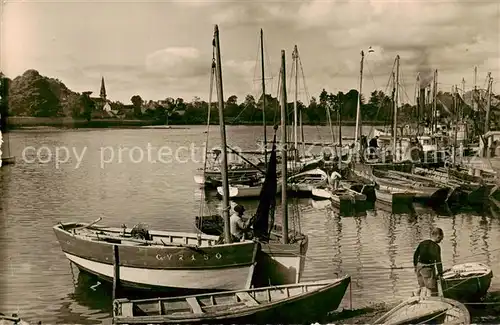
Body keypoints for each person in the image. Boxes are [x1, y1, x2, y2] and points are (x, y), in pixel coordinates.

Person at [413, 227, 444, 297]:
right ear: (438, 236)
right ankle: (430, 302)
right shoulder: (436, 247)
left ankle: (416, 295)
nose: (441, 240)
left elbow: (415, 255)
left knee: (422, 286)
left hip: (419, 267)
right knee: (431, 288)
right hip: (427, 269)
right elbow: (438, 261)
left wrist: (415, 266)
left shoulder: (422, 243)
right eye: (441, 238)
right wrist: (440, 273)